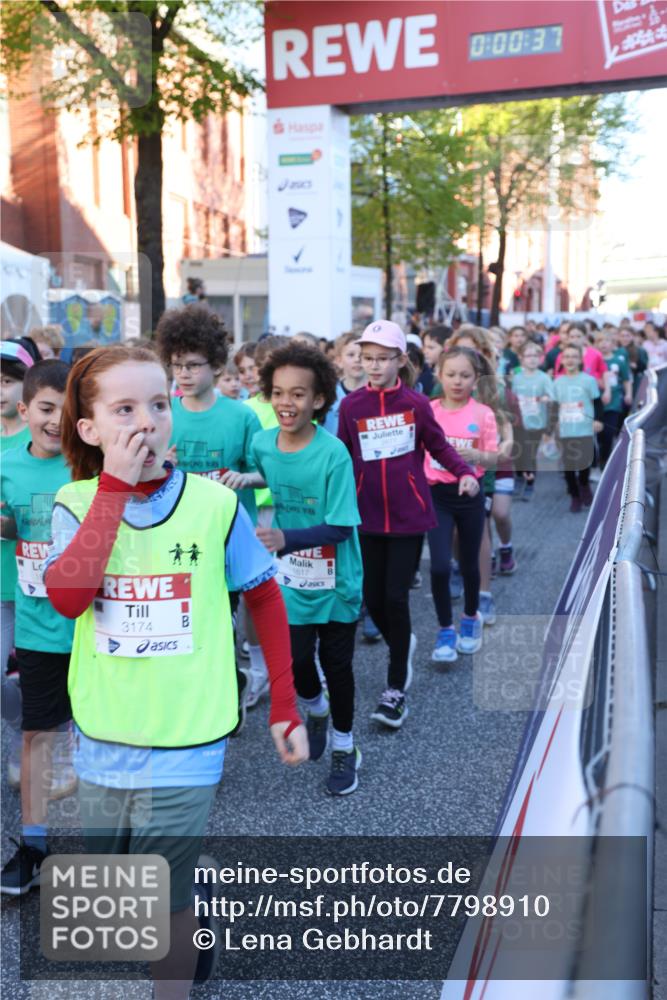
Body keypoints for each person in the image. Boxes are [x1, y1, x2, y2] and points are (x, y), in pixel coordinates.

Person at [42, 345, 307, 998]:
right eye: (124, 409)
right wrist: (112, 491)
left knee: (163, 895)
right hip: (105, 730)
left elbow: (264, 597)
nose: (147, 422)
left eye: (158, 405)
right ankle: (196, 886)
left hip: (190, 732)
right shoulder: (73, 503)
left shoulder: (214, 506)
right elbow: (69, 597)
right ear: (89, 429)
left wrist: (284, 705)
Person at [337, 320, 478, 729]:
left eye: (382, 359)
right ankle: (404, 640)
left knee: (395, 599)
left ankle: (395, 688)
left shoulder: (416, 405)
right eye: (367, 359)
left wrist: (464, 471)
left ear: (400, 360)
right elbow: (341, 457)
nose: (374, 366)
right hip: (364, 517)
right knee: (372, 598)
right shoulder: (351, 407)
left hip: (408, 516)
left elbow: (438, 445)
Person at [237, 342, 363, 795]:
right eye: (278, 393)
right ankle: (316, 709)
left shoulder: (334, 454)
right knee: (293, 662)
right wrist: (245, 478)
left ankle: (346, 747)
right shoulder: (261, 444)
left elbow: (342, 527)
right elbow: (275, 475)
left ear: (319, 400)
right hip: (292, 581)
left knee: (338, 664)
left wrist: (286, 539)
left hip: (336, 581)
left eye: (297, 394)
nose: (286, 404)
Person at [156, 305, 264, 728]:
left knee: (223, 626)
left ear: (217, 366)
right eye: (176, 364)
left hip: (228, 537)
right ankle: (191, 705)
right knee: (182, 628)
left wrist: (244, 477)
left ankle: (227, 692)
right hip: (173, 539)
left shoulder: (241, 415)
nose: (183, 373)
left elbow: (266, 473)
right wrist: (157, 465)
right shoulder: (162, 409)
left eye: (193, 365)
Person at [0, 360, 76, 894]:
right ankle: (33, 847)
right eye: (46, 409)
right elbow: (11, 523)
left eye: (67, 411)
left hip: (97, 626)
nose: (56, 421)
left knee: (107, 738)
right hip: (36, 622)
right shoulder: (5, 461)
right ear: (24, 409)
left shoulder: (90, 464)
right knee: (35, 734)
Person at [425, 347, 497, 662]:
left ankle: (470, 619)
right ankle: (445, 630)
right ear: (439, 375)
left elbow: (494, 456)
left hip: (469, 495)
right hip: (436, 495)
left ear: (476, 379)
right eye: (451, 374)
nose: (457, 381)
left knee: (469, 566)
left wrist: (478, 458)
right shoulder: (428, 411)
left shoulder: (483, 414)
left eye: (465, 375)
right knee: (440, 566)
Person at [550, 344, 603, 512]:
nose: (570, 360)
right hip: (566, 430)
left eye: (574, 356)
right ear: (562, 360)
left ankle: (585, 484)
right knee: (569, 465)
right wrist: (552, 424)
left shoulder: (588, 380)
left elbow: (597, 402)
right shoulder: (557, 382)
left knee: (585, 462)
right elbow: (553, 406)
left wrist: (598, 420)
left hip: (585, 428)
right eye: (567, 357)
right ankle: (574, 495)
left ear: (580, 360)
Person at [512, 340, 554, 499]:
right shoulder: (516, 377)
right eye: (528, 356)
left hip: (537, 423)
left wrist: (545, 398)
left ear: (541, 358)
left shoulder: (544, 378)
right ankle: (518, 478)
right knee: (518, 452)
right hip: (519, 422)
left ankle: (530, 483)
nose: (532, 359)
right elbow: (511, 396)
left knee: (530, 453)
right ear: (521, 358)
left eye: (536, 355)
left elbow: (552, 396)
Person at [597, 330, 632, 469]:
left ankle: (605, 461)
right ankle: (599, 459)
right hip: (597, 401)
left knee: (609, 432)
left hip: (614, 401)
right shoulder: (595, 360)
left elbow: (626, 380)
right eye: (600, 341)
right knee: (598, 433)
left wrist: (628, 394)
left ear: (613, 344)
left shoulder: (618, 361)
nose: (603, 344)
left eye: (606, 341)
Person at [323, 332, 365, 436]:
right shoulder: (329, 394)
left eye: (363, 355)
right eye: (351, 355)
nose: (357, 359)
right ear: (339, 361)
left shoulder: (377, 394)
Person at [617, 326, 648, 398]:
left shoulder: (640, 350)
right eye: (622, 336)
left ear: (632, 337)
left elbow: (643, 366)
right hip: (620, 383)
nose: (625, 338)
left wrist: (634, 366)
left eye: (627, 336)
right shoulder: (616, 351)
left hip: (635, 381)